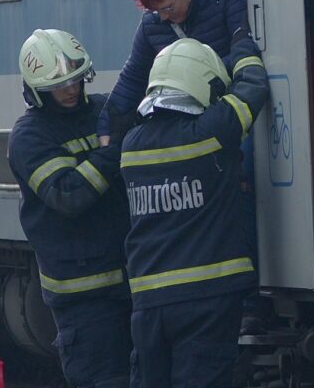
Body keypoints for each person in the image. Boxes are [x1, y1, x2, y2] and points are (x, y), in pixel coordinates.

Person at [119, 35, 268, 387]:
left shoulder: (131, 146)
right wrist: (243, 46)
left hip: (148, 303)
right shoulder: (211, 132)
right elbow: (253, 86)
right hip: (207, 300)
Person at [8, 29, 133, 388]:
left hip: (132, 282)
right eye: (59, 85)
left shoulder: (103, 111)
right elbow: (68, 195)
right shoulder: (30, 137)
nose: (71, 90)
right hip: (84, 301)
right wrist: (112, 153)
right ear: (35, 89)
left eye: (77, 80)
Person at [97, 0, 250, 145]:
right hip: (189, 120)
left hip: (234, 108)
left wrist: (194, 75)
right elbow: (133, 77)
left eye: (168, 7)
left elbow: (244, 52)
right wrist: (108, 126)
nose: (163, 17)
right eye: (155, 10)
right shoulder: (152, 22)